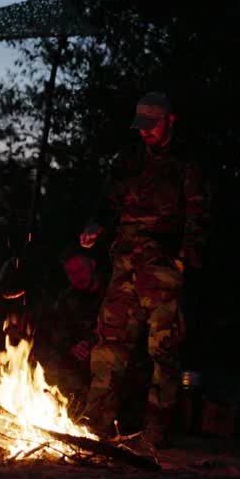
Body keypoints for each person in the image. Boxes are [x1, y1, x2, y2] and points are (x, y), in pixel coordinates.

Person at [79, 91, 210, 445]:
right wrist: (95, 224)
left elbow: (199, 215)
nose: (145, 131)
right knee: (109, 344)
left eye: (152, 124)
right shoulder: (128, 160)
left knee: (163, 351)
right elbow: (108, 201)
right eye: (141, 124)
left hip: (163, 267)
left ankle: (156, 429)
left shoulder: (186, 163)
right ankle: (96, 422)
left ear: (170, 121)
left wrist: (185, 262)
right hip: (124, 262)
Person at [42, 245, 109, 405]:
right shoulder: (67, 299)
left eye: (80, 270)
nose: (76, 277)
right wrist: (72, 347)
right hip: (80, 359)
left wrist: (94, 342)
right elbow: (58, 334)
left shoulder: (114, 290)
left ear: (92, 264)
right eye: (70, 274)